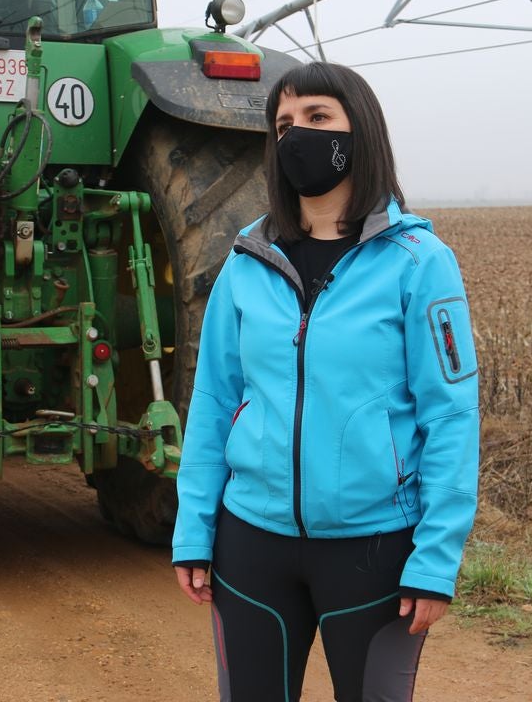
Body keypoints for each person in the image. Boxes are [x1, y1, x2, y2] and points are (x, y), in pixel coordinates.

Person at [172, 61, 480, 702]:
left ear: (359, 130)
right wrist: (194, 529)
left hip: (374, 553)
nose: (297, 137)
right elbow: (213, 402)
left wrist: (436, 557)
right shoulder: (246, 262)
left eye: (318, 118)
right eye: (283, 124)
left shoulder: (420, 264)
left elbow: (450, 416)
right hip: (251, 547)